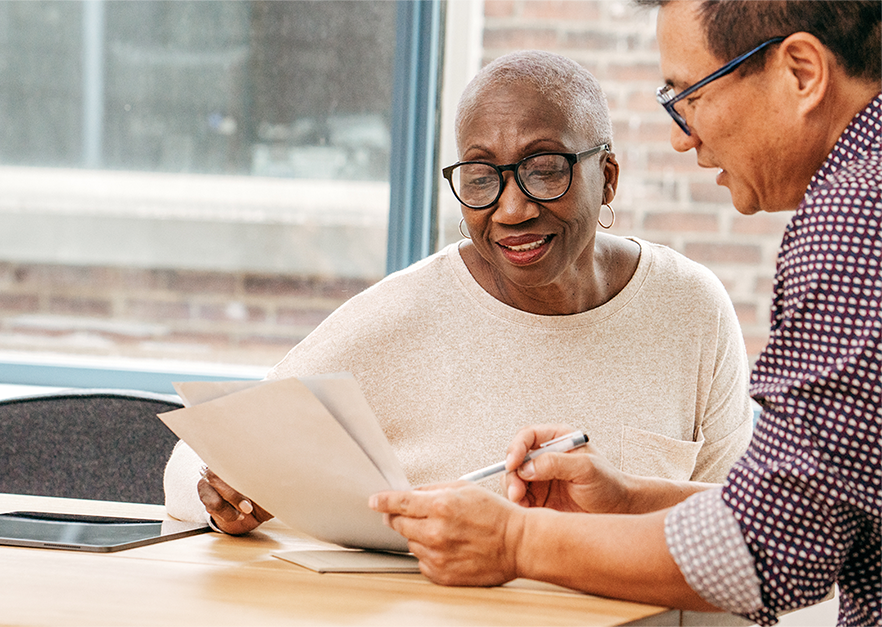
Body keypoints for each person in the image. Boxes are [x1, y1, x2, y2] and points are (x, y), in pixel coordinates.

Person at [369, 1, 882, 626]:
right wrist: (629, 500)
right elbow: (836, 510)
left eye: (689, 95)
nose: (682, 135)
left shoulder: (854, 221)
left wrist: (515, 542)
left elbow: (773, 546)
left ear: (801, 72)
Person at [164, 50, 753, 537]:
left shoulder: (691, 310)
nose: (512, 208)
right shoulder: (402, 314)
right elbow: (197, 456)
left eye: (545, 168)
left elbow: (745, 535)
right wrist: (228, 499)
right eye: (480, 176)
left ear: (609, 179)